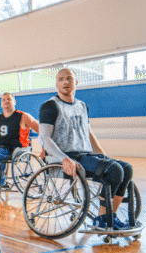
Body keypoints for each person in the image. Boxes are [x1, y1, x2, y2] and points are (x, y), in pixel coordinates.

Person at [38, 68, 136, 230]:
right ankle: (102, 220)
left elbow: (89, 134)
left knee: (126, 168)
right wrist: (64, 158)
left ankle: (110, 216)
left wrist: (104, 156)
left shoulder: (82, 106)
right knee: (115, 171)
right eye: (61, 79)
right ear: (56, 84)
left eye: (69, 79)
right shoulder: (50, 106)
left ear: (76, 82)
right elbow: (45, 139)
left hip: (85, 155)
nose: (65, 82)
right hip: (64, 158)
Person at [0, 92, 40, 189]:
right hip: (3, 146)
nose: (6, 101)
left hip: (18, 148)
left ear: (14, 101)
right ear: (1, 104)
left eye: (9, 99)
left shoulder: (23, 116)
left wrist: (44, 147)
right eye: (3, 100)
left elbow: (40, 129)